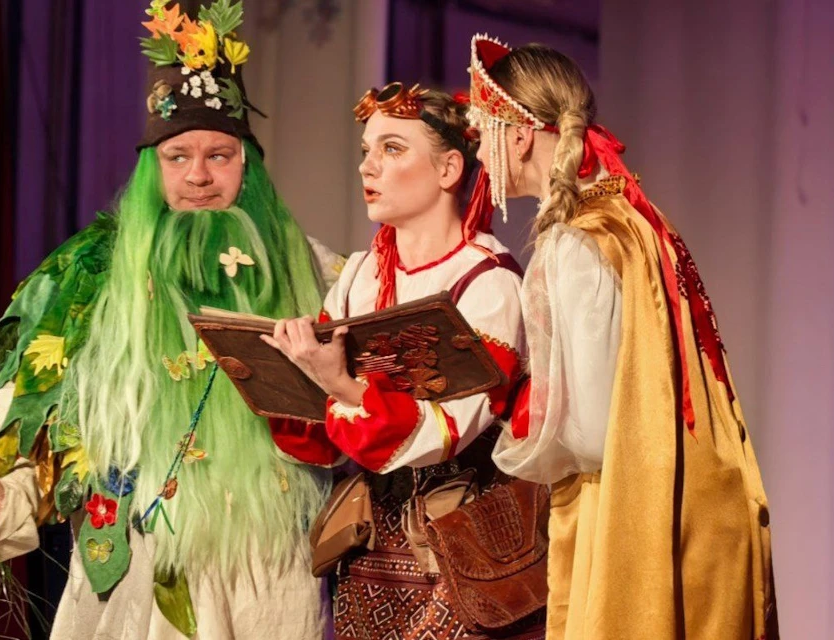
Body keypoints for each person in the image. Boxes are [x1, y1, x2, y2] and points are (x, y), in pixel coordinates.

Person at [0, 2, 334, 637]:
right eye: (177, 156)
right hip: (132, 585)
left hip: (264, 581)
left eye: (220, 155)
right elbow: (27, 434)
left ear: (250, 166)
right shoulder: (86, 281)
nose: (198, 176)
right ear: (152, 167)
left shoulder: (318, 275)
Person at [464, 34, 779, 639]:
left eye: (484, 132)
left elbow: (589, 435)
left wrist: (512, 408)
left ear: (520, 135)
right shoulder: (634, 220)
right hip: (698, 505)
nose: (479, 152)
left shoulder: (573, 243)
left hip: (631, 519)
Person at [263, 82, 544, 640]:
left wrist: (341, 385)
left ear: (448, 169)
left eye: (392, 149)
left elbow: (447, 432)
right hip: (373, 551)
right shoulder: (361, 274)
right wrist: (281, 373)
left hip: (468, 548)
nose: (368, 166)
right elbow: (324, 436)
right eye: (367, 150)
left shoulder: (487, 281)